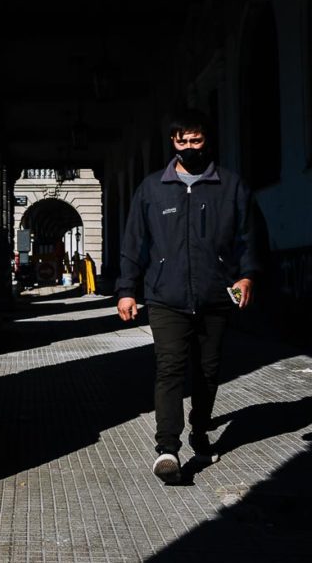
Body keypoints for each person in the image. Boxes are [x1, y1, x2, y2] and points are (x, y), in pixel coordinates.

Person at [115, 110, 259, 485]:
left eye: (196, 141)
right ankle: (168, 448)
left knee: (208, 372)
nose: (190, 148)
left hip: (215, 294)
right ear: (173, 143)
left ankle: (199, 430)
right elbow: (134, 242)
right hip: (166, 296)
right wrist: (126, 290)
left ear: (206, 141)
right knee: (170, 368)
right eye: (183, 142)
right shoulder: (151, 189)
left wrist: (246, 276)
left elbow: (249, 236)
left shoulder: (231, 186)